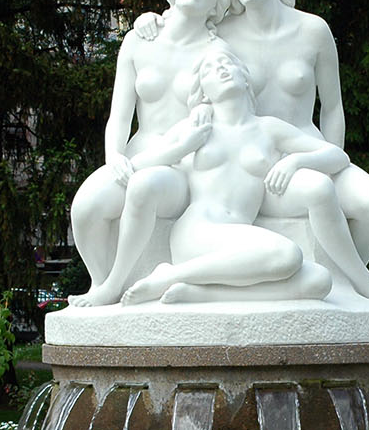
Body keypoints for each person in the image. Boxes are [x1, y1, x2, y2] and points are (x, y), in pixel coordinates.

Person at [136, 0, 369, 295]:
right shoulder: (224, 34)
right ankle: (351, 284)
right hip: (249, 164)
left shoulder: (313, 29)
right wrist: (150, 20)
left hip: (303, 151)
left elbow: (334, 107)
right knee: (317, 193)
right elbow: (184, 25)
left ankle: (345, 283)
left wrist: (328, 159)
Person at [119, 47, 341, 305]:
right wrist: (181, 149)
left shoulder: (268, 128)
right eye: (210, 70)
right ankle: (168, 276)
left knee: (319, 280)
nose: (221, 69)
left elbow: (336, 156)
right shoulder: (197, 127)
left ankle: (201, 293)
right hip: (198, 232)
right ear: (203, 91)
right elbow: (137, 165)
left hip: (240, 239)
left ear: (245, 77)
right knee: (288, 255)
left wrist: (295, 160)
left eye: (226, 63)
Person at [68, 0, 231, 307]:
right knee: (86, 207)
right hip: (136, 154)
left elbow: (200, 133)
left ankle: (114, 285)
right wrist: (113, 156)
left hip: (182, 166)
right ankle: (101, 282)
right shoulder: (139, 40)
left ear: (217, 5)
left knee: (145, 186)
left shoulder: (216, 52)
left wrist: (148, 160)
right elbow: (119, 116)